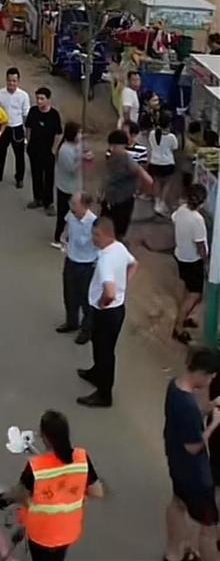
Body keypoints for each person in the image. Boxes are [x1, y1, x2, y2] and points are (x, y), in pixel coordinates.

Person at [7, 410, 102, 561]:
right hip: (67, 531)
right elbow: (97, 491)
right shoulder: (82, 458)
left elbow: (20, 494)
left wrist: (6, 496)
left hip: (41, 534)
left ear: (44, 437)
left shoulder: (36, 467)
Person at [164, 348, 220, 561]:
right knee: (209, 530)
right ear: (203, 373)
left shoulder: (175, 387)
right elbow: (194, 446)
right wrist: (214, 424)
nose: (211, 381)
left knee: (177, 503)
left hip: (176, 462)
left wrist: (209, 408)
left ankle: (173, 553)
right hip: (195, 475)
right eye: (211, 376)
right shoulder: (187, 406)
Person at [76, 216, 137, 408]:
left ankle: (104, 394)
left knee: (105, 353)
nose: (93, 239)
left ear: (105, 234)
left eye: (96, 235)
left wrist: (103, 302)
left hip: (106, 313)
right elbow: (134, 264)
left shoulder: (105, 260)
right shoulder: (119, 247)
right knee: (99, 346)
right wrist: (123, 286)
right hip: (116, 310)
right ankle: (96, 373)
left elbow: (109, 292)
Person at [56, 192, 98, 344]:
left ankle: (87, 330)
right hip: (71, 261)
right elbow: (66, 230)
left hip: (87, 265)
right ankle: (72, 322)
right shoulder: (72, 215)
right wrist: (63, 239)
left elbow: (100, 245)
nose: (71, 206)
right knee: (69, 295)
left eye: (74, 204)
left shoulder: (94, 223)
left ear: (85, 206)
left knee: (86, 300)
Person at [171, 184, 208, 344]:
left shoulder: (180, 211)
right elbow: (200, 246)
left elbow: (174, 219)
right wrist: (206, 262)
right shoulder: (197, 220)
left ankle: (184, 316)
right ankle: (178, 327)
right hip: (193, 261)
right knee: (195, 294)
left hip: (181, 255)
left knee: (188, 289)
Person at [101, 129, 153, 240]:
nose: (112, 148)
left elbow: (145, 176)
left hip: (123, 199)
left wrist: (144, 188)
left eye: (114, 146)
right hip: (111, 197)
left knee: (118, 227)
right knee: (105, 224)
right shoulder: (112, 155)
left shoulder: (126, 159)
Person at [25, 87, 62, 215]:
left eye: (42, 99)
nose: (39, 101)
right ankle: (37, 198)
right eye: (37, 98)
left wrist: (54, 149)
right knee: (36, 175)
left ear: (48, 100)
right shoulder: (33, 111)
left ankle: (49, 203)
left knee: (49, 177)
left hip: (48, 152)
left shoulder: (54, 115)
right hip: (34, 150)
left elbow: (58, 134)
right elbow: (28, 128)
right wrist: (28, 142)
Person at [0, 68, 30, 188]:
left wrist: (26, 133)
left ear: (18, 81)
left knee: (19, 156)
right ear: (6, 80)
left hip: (17, 128)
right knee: (0, 153)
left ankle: (19, 178)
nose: (12, 83)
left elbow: (26, 114)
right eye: (10, 81)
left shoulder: (23, 96)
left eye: (14, 81)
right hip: (3, 128)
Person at [53, 122, 85, 247]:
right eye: (79, 133)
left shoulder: (77, 145)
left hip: (74, 187)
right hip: (66, 188)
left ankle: (68, 235)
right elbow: (71, 169)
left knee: (73, 214)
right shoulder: (65, 150)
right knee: (64, 214)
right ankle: (58, 238)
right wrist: (82, 159)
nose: (80, 135)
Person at [148, 112, 179, 217]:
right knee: (167, 184)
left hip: (154, 162)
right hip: (167, 163)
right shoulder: (171, 137)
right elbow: (175, 148)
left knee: (156, 182)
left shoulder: (152, 134)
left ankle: (156, 203)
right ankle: (162, 203)